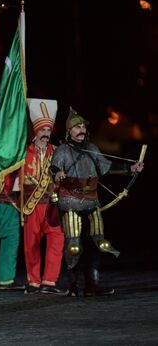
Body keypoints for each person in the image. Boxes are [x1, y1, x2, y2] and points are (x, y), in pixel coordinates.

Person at [51, 107, 144, 296]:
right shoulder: (62, 150)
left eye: (82, 127)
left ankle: (92, 284)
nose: (81, 130)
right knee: (74, 244)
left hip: (91, 201)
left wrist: (131, 168)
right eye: (76, 127)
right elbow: (53, 168)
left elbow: (106, 167)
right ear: (69, 131)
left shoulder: (92, 148)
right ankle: (74, 285)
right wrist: (57, 173)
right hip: (70, 201)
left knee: (98, 243)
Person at [22, 99, 66, 295]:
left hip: (53, 205)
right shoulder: (24, 152)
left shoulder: (57, 152)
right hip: (32, 205)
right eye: (43, 130)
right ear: (35, 131)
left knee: (57, 240)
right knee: (31, 244)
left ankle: (49, 281)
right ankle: (33, 281)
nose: (46, 134)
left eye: (49, 130)